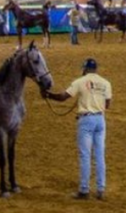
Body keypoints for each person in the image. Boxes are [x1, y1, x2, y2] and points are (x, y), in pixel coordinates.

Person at [42, 58, 113, 200]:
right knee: (99, 155)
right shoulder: (106, 83)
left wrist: (48, 94)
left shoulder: (80, 82)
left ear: (85, 69)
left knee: (85, 155)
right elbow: (107, 104)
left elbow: (63, 97)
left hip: (86, 120)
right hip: (100, 119)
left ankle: (84, 190)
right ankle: (100, 189)